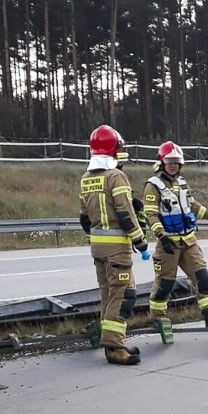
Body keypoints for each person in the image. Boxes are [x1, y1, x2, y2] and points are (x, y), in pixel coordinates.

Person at [79, 125, 148, 365]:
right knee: (124, 294)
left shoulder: (87, 179)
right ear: (116, 150)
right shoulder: (116, 176)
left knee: (108, 295)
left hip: (97, 249)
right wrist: (141, 241)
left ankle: (113, 342)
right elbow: (125, 214)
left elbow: (84, 220)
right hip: (118, 247)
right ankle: (114, 348)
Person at [141, 141, 208, 327]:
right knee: (165, 285)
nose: (173, 165)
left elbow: (192, 205)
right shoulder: (152, 186)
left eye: (176, 162)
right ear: (162, 162)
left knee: (203, 278)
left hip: (189, 241)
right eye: (169, 161)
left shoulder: (182, 183)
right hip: (168, 244)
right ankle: (157, 318)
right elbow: (150, 214)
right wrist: (161, 236)